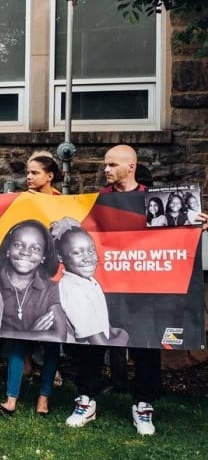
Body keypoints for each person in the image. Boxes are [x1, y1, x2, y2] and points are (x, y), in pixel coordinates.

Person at [65, 144, 160, 434]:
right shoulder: (97, 201)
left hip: (140, 289)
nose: (106, 169)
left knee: (145, 346)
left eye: (112, 165)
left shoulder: (152, 200)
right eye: (105, 164)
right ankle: (86, 399)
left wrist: (196, 226)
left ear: (131, 167)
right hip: (104, 287)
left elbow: (172, 235)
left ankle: (143, 405)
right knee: (91, 344)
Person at [0, 220, 66, 417]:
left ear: (43, 257)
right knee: (18, 343)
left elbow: (59, 333)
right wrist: (30, 332)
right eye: (18, 245)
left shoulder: (50, 287)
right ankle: (10, 401)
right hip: (17, 340)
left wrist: (27, 332)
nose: (25, 252)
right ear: (8, 250)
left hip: (43, 339)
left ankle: (43, 398)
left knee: (52, 347)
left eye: (35, 248)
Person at [51, 218, 129, 346]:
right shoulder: (73, 289)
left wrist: (112, 332)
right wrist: (124, 336)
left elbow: (103, 324)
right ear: (60, 257)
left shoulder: (89, 282)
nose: (87, 258)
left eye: (91, 250)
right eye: (77, 253)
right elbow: (100, 344)